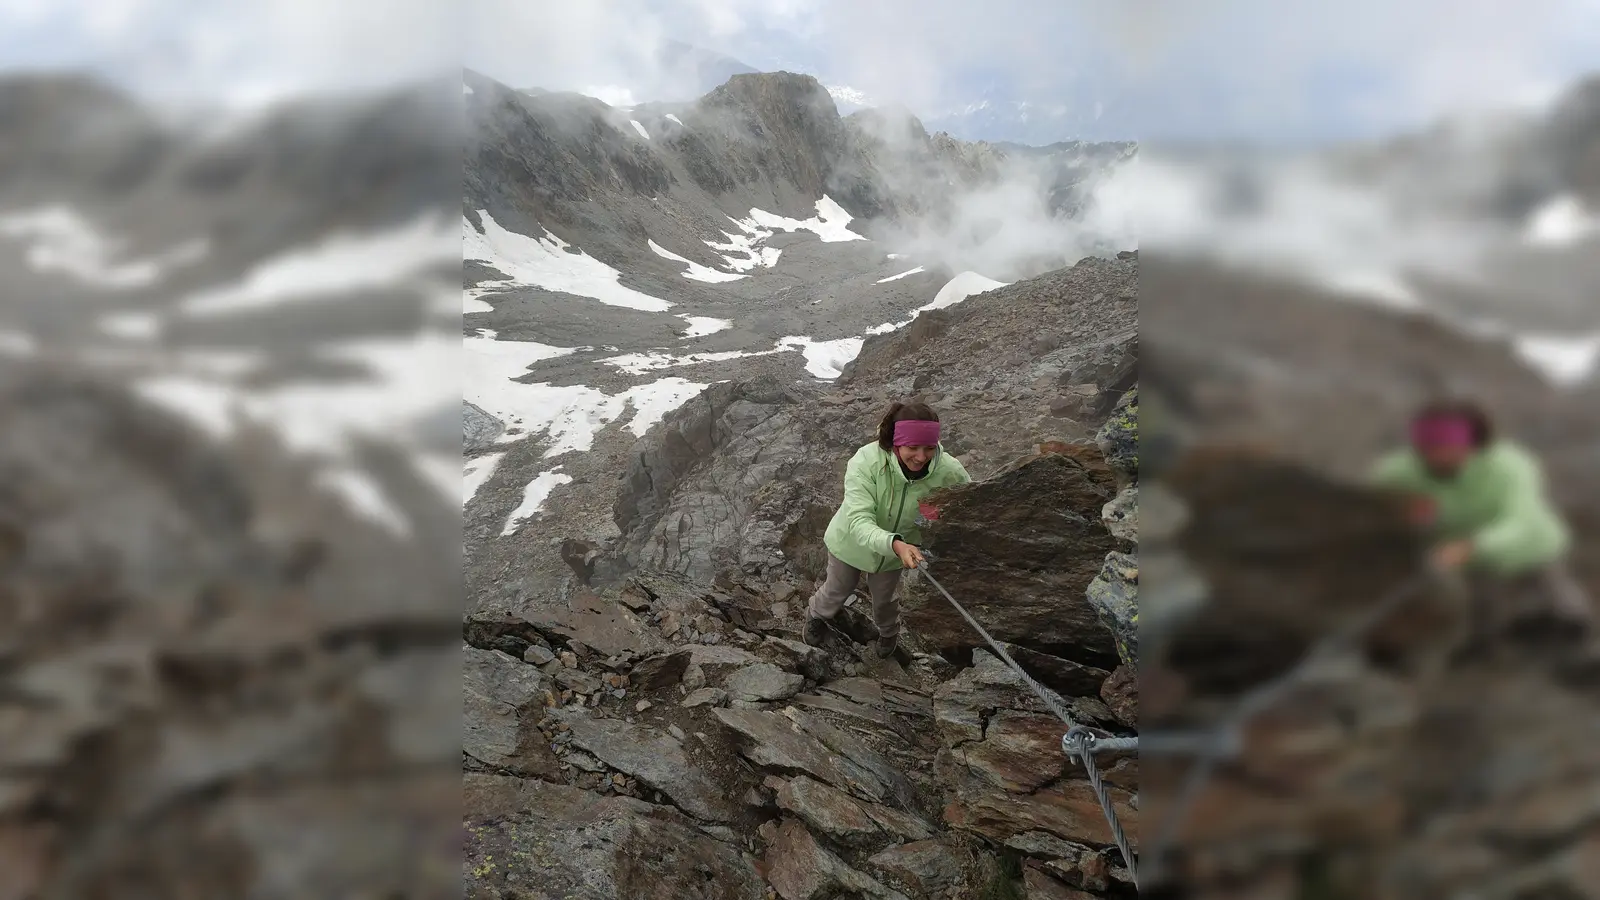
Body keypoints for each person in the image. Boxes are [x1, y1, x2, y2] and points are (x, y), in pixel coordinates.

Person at [1369, 400, 1594, 643]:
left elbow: (1519, 520)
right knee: (1482, 618)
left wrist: (1472, 545)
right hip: (1461, 558)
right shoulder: (1397, 472)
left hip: (1530, 547)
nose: (1432, 455)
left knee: (1563, 611)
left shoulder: (1511, 466)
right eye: (1425, 447)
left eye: (1442, 447)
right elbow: (1379, 510)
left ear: (1470, 445)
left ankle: (1582, 651)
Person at [804, 401, 971, 658]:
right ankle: (816, 615)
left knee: (885, 600)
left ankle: (889, 633)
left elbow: (971, 502)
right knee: (838, 588)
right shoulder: (866, 462)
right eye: (912, 447)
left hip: (899, 552)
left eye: (929, 447)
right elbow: (858, 520)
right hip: (851, 542)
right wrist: (896, 544)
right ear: (896, 442)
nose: (921, 456)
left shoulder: (949, 471)